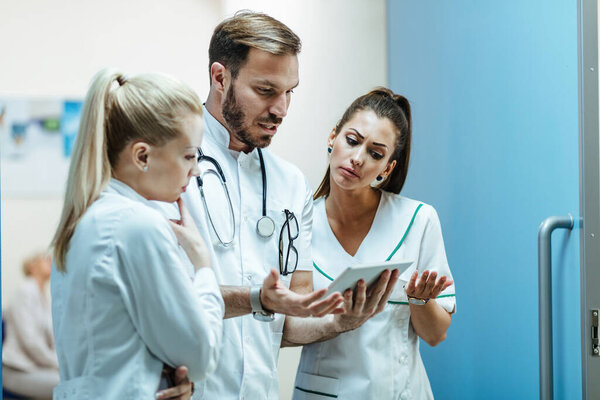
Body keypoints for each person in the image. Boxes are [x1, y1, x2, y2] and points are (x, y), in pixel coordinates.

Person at [172, 11, 376, 399]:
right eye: (266, 91)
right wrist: (256, 298)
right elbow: (157, 297)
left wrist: (340, 321)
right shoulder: (169, 165)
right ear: (220, 77)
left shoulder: (290, 183)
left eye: (289, 92)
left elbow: (286, 322)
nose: (281, 109)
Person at [50, 68, 224, 400]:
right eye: (189, 156)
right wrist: (202, 265)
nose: (196, 169)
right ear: (142, 155)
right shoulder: (136, 225)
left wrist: (165, 376)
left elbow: (118, 351)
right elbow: (200, 357)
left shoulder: (84, 221)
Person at [286, 88, 456, 399]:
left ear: (387, 168)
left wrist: (419, 300)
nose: (358, 158)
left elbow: (435, 335)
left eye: (376, 153)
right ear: (333, 137)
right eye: (352, 140)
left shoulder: (418, 220)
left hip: (401, 391)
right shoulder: (297, 224)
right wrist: (338, 322)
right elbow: (281, 330)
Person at [2, 252, 59, 399]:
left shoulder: (42, 297)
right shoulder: (24, 292)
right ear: (31, 266)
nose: (50, 261)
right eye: (45, 258)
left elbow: (52, 339)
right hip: (17, 370)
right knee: (72, 386)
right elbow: (31, 342)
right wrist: (57, 363)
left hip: (37, 367)